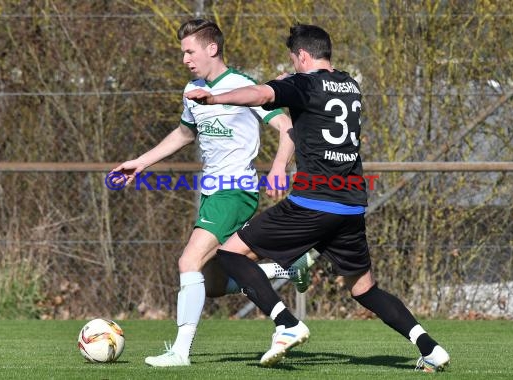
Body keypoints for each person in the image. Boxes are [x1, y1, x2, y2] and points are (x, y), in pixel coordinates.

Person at [185, 24, 451, 372]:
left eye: (294, 60)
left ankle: (286, 324)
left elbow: (262, 95)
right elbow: (304, 104)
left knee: (229, 254)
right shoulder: (350, 85)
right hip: (351, 204)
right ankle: (430, 348)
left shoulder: (303, 83)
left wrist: (216, 97)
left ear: (303, 56)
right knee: (364, 290)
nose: (293, 65)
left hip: (313, 202)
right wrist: (288, 85)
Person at [110, 19, 314, 367]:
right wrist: (141, 163)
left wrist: (279, 167)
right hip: (212, 194)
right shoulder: (193, 90)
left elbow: (287, 128)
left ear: (211, 48)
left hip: (235, 191)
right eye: (183, 53)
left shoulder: (243, 86)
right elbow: (183, 135)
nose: (185, 59)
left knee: (188, 261)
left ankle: (179, 353)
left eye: (190, 51)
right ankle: (288, 267)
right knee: (214, 282)